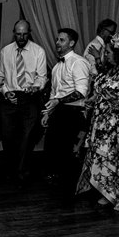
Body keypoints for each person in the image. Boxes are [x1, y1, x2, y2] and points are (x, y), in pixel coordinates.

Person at [77, 30, 119, 211]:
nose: (104, 55)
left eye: (107, 52)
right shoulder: (109, 70)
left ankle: (114, 194)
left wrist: (106, 97)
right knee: (100, 156)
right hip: (101, 122)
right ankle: (102, 190)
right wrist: (94, 99)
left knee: (112, 157)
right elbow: (100, 87)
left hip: (117, 126)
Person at [0, 19, 47, 187]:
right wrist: (5, 91)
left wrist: (36, 87)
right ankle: (10, 171)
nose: (21, 37)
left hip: (29, 97)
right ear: (14, 32)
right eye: (18, 34)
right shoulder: (5, 52)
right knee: (8, 136)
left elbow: (42, 77)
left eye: (25, 34)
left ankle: (22, 172)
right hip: (9, 98)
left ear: (29, 32)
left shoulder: (38, 51)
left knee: (26, 137)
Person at [41, 28, 90, 195]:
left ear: (71, 43)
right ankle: (58, 188)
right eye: (57, 40)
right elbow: (54, 93)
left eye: (61, 40)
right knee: (54, 151)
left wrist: (58, 101)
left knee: (70, 153)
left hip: (73, 113)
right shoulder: (56, 67)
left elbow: (81, 92)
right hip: (58, 112)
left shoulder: (79, 62)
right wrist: (48, 113)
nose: (57, 43)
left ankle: (70, 190)